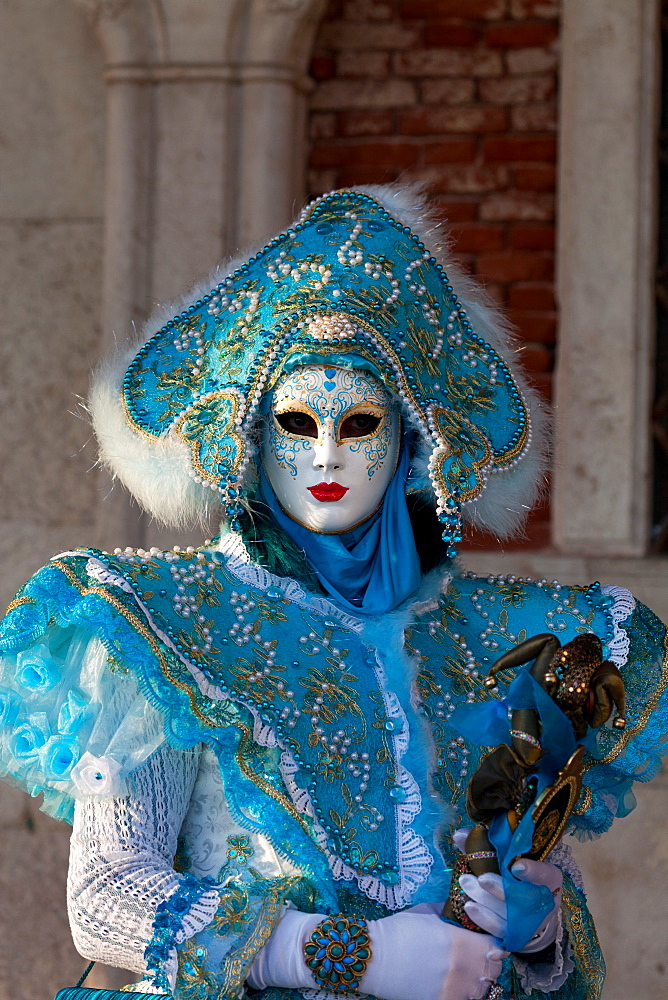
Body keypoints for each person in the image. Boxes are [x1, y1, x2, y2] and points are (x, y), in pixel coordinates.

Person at [0, 185, 665, 1000]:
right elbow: (105, 899)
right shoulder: (168, 622)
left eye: (357, 425)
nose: (325, 458)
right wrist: (348, 956)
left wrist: (536, 929)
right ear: (250, 437)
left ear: (409, 442)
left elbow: (551, 910)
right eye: (295, 424)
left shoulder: (483, 641)